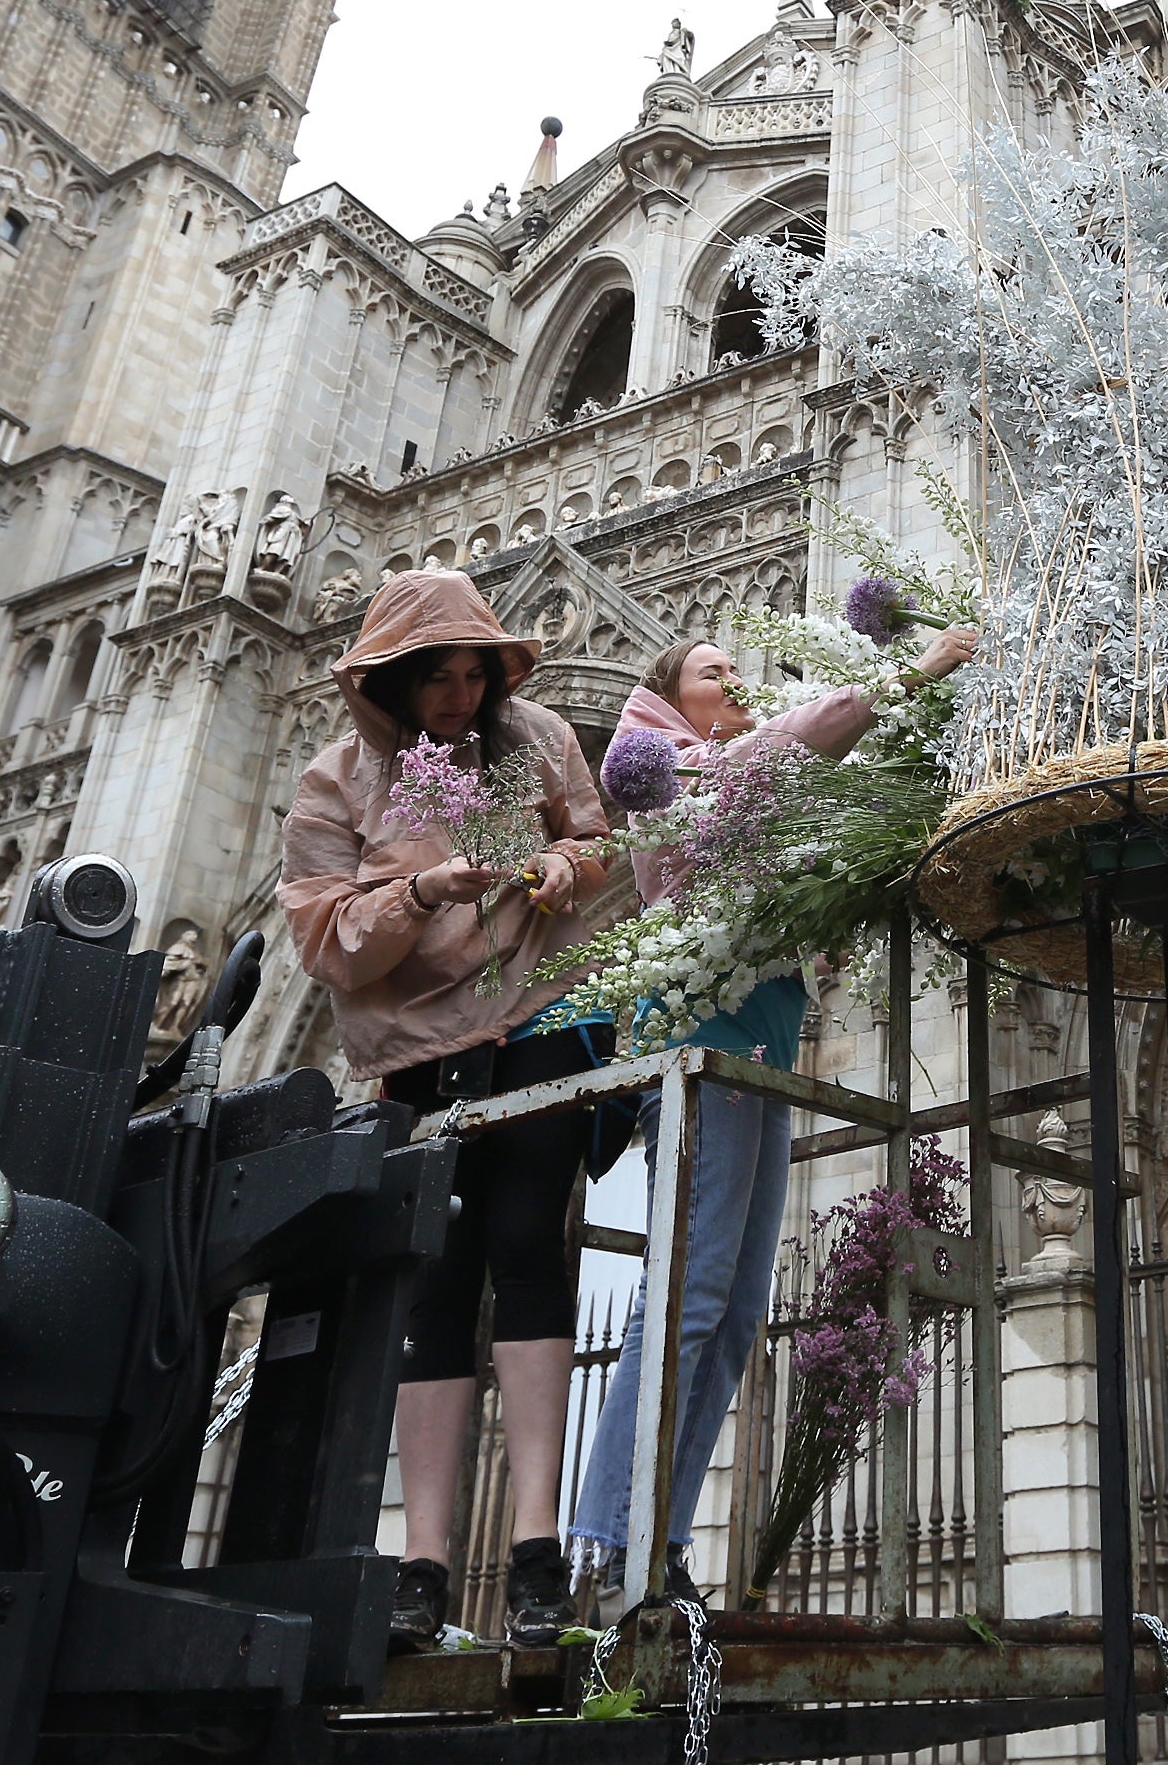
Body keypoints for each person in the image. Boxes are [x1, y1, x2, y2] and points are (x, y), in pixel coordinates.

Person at [567, 623, 977, 1609]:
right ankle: (606, 1537)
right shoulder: (661, 767)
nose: (736, 681)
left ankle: (656, 1540)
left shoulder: (728, 770)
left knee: (738, 1304)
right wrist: (914, 672)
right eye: (715, 670)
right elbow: (783, 748)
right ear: (670, 696)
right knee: (692, 1292)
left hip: (761, 1032)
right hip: (706, 1029)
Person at [280, 570, 623, 1654]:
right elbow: (321, 937)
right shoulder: (334, 782)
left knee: (530, 1246)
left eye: (477, 673)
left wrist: (565, 864)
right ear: (392, 678)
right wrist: (424, 892)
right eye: (440, 675)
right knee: (436, 1278)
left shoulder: (537, 740)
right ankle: (422, 1559)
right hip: (420, 1052)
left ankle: (535, 1548)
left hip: (538, 1017)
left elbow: (598, 839)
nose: (461, 693)